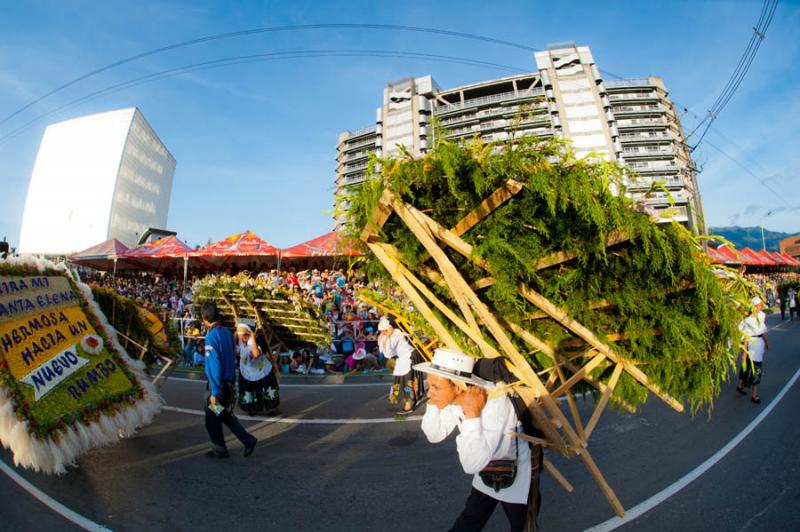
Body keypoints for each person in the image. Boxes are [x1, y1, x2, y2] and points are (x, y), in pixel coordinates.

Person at [417, 349, 535, 532]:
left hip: (516, 473)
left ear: (458, 387)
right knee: (471, 518)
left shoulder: (494, 406)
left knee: (521, 524)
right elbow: (435, 434)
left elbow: (471, 464)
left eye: (436, 387)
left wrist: (472, 416)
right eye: (429, 385)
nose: (429, 393)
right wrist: (433, 403)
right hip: (486, 469)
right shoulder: (455, 399)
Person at [201, 302, 258, 458]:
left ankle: (241, 442)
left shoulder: (211, 336)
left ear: (204, 318)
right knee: (219, 415)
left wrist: (214, 391)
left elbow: (214, 365)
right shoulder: (227, 333)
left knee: (214, 415)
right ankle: (224, 446)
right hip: (229, 383)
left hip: (218, 386)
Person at [378, 316, 424, 415]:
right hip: (403, 358)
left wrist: (386, 338)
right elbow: (382, 350)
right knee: (399, 380)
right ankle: (409, 398)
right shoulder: (391, 334)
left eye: (383, 331)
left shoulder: (396, 334)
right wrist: (382, 337)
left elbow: (388, 354)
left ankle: (409, 403)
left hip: (409, 357)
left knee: (408, 381)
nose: (382, 333)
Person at [235, 320, 280, 415]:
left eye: (242, 335)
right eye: (239, 334)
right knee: (250, 390)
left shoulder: (257, 340)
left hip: (261, 370)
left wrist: (252, 339)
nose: (240, 337)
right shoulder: (239, 339)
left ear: (247, 333)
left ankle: (270, 408)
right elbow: (237, 351)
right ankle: (252, 408)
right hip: (247, 369)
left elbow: (256, 354)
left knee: (265, 388)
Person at [736, 296, 769, 404]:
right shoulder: (748, 320)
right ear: (754, 307)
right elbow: (746, 336)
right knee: (756, 368)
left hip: (759, 344)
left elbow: (762, 330)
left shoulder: (762, 315)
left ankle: (740, 385)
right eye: (759, 305)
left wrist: (766, 341)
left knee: (751, 366)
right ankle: (754, 395)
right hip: (751, 345)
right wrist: (745, 352)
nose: (761, 307)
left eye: (761, 305)